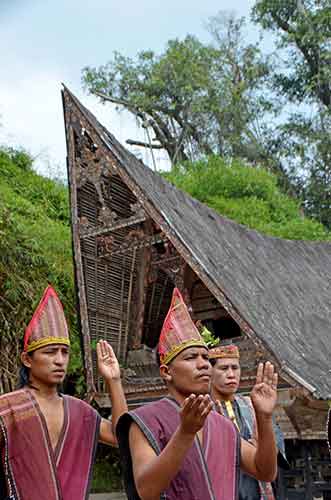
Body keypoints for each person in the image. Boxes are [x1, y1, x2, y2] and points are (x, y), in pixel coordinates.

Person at [117, 288, 278, 500]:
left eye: (205, 357)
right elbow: (146, 490)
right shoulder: (145, 420)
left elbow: (265, 471)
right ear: (166, 372)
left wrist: (264, 418)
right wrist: (185, 433)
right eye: (191, 358)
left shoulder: (224, 426)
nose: (203, 365)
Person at [0, 285, 127, 500]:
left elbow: (120, 437)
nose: (60, 360)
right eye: (50, 352)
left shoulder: (80, 411)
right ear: (27, 359)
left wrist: (114, 380)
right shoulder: (8, 408)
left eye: (65, 353)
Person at [209, 343, 289, 500]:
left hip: (256, 488)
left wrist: (265, 444)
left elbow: (275, 447)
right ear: (210, 372)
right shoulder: (203, 409)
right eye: (224, 368)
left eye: (235, 368)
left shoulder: (254, 406)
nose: (231, 374)